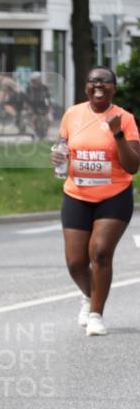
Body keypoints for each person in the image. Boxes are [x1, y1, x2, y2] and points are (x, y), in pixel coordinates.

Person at [51, 66, 139, 336]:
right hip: (77, 194)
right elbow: (63, 145)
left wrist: (118, 135)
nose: (98, 85)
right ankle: (90, 296)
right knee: (75, 261)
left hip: (113, 195)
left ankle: (96, 314)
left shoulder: (124, 119)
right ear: (86, 86)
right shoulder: (72, 114)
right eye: (93, 81)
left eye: (105, 82)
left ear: (114, 87)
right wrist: (59, 156)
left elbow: (133, 165)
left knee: (100, 252)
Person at [23, 72, 51, 139]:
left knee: (48, 119)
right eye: (37, 79)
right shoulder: (29, 88)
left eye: (39, 79)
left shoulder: (44, 87)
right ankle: (35, 132)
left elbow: (48, 97)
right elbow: (26, 99)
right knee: (34, 118)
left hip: (43, 105)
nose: (39, 80)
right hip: (33, 106)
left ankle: (46, 131)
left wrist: (49, 107)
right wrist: (28, 107)